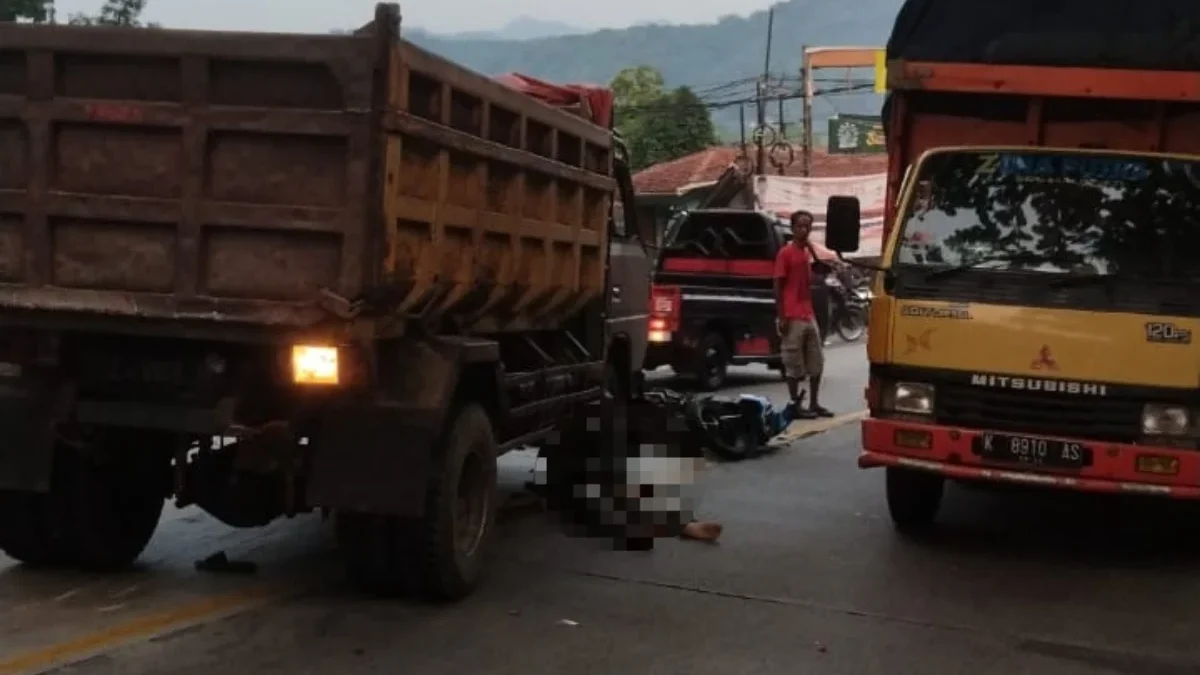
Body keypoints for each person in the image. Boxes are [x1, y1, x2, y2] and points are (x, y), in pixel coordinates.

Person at [774, 211, 833, 419]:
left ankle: (815, 403)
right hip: (792, 314)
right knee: (793, 364)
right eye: (800, 226)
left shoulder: (807, 251)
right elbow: (778, 285)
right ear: (792, 228)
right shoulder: (785, 253)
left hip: (808, 313)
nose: (804, 230)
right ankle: (795, 405)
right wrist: (781, 316)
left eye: (807, 226)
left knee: (816, 362)